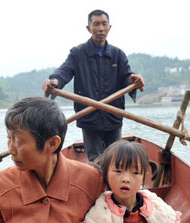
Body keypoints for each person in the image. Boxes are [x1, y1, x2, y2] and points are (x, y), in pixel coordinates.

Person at [42, 9, 145, 162]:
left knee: (116, 160)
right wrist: (54, 81)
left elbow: (126, 78)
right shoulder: (78, 53)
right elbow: (64, 71)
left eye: (104, 24)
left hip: (113, 116)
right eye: (96, 24)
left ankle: (113, 185)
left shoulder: (118, 55)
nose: (101, 28)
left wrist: (134, 80)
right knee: (95, 160)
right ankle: (97, 184)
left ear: (110, 27)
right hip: (89, 116)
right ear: (88, 28)